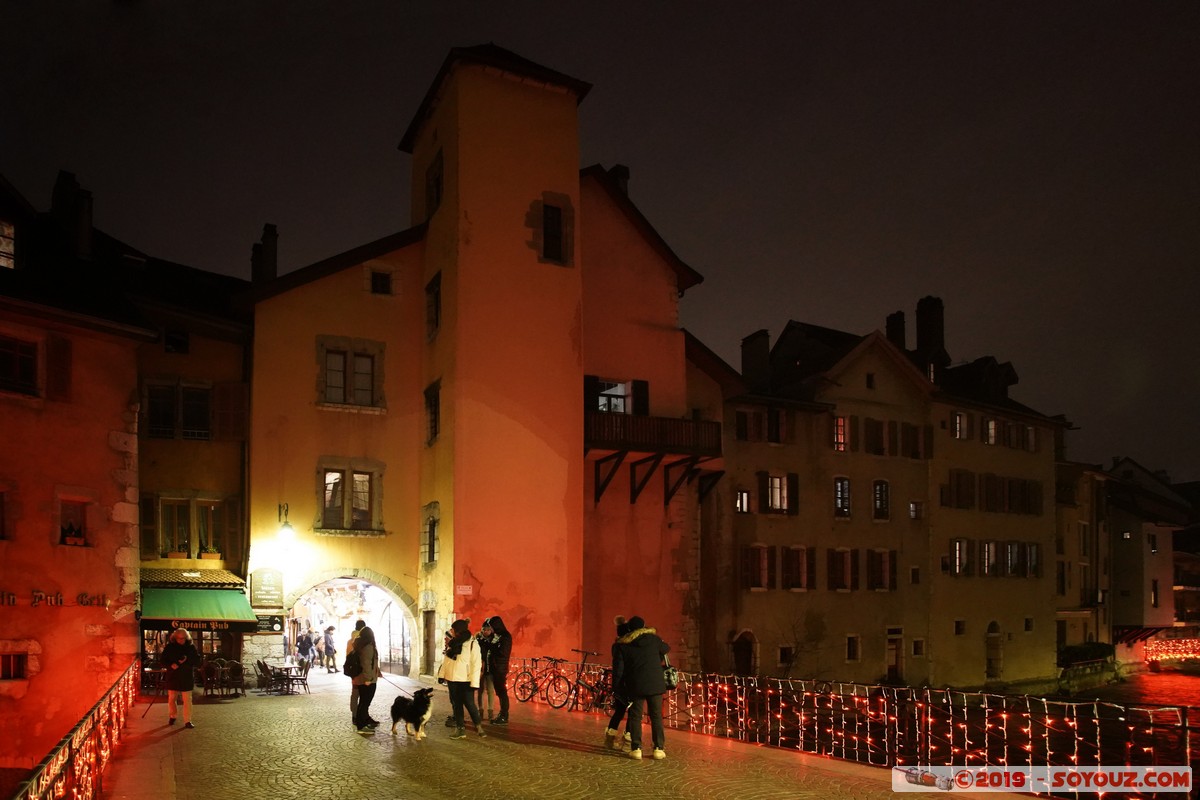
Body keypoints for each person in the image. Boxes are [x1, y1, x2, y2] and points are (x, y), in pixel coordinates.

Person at [611, 615, 669, 760]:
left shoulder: (625, 644)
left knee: (635, 716)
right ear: (644, 627)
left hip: (635, 685)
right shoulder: (654, 640)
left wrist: (617, 687)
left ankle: (636, 748)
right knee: (656, 716)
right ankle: (658, 749)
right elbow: (666, 648)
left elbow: (619, 669)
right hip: (655, 684)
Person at [437, 618, 485, 739]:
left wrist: (475, 682)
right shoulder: (452, 643)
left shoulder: (473, 644)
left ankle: (478, 725)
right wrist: (442, 675)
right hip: (452, 679)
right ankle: (460, 729)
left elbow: (476, 664)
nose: (451, 631)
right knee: (456, 704)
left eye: (453, 629)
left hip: (466, 679)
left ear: (458, 630)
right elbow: (447, 661)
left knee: (470, 704)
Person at [160, 627, 201, 729]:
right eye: (179, 638)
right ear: (175, 638)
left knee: (187, 700)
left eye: (183, 638)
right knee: (172, 699)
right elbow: (162, 660)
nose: (181, 641)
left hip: (186, 676)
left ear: (186, 638)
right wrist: (171, 665)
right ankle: (172, 716)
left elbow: (197, 661)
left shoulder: (190, 647)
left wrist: (186, 662)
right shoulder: (170, 647)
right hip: (173, 676)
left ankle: (187, 720)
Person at [604, 615, 634, 749]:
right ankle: (627, 741)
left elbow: (617, 669)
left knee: (619, 711)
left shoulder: (616, 646)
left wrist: (615, 686)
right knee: (633, 711)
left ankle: (610, 738)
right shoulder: (626, 647)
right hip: (629, 683)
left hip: (620, 683)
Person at [352, 625, 382, 734]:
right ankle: (361, 726)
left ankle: (364, 722)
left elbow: (371, 662)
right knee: (364, 703)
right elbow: (366, 663)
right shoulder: (368, 647)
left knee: (364, 702)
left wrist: (377, 671)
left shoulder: (361, 645)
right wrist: (368, 678)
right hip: (366, 680)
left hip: (363, 678)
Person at [485, 615, 512, 725]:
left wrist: (492, 648)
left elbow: (503, 652)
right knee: (499, 692)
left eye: (491, 626)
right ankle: (502, 714)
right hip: (495, 668)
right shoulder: (496, 636)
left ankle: (504, 715)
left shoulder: (505, 637)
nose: (491, 629)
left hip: (500, 668)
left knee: (502, 692)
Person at [345, 619, 366, 725]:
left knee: (355, 693)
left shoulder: (350, 641)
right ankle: (360, 715)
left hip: (353, 671)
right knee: (363, 694)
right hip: (362, 671)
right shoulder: (362, 640)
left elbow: (348, 656)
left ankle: (355, 714)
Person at [476, 621, 496, 722]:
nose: (486, 631)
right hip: (480, 668)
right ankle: (480, 710)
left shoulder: (494, 639)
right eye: (484, 629)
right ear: (482, 629)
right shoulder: (478, 639)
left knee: (490, 691)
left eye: (488, 629)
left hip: (490, 669)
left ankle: (490, 711)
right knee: (480, 690)